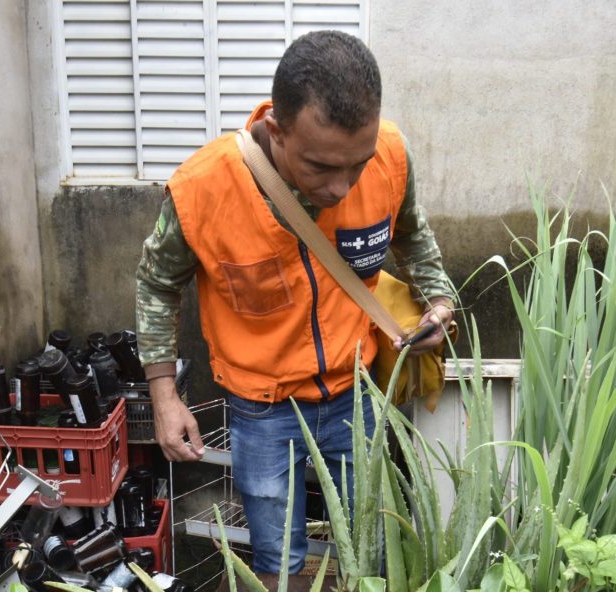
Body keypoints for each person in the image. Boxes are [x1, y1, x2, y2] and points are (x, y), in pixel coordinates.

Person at [136, 30, 454, 574]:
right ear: (277, 131)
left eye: (358, 163)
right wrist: (164, 396)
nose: (343, 187)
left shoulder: (391, 157)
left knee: (371, 545)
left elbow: (413, 235)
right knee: (278, 559)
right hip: (262, 407)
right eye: (321, 167)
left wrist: (439, 303)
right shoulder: (202, 190)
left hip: (356, 391)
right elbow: (157, 285)